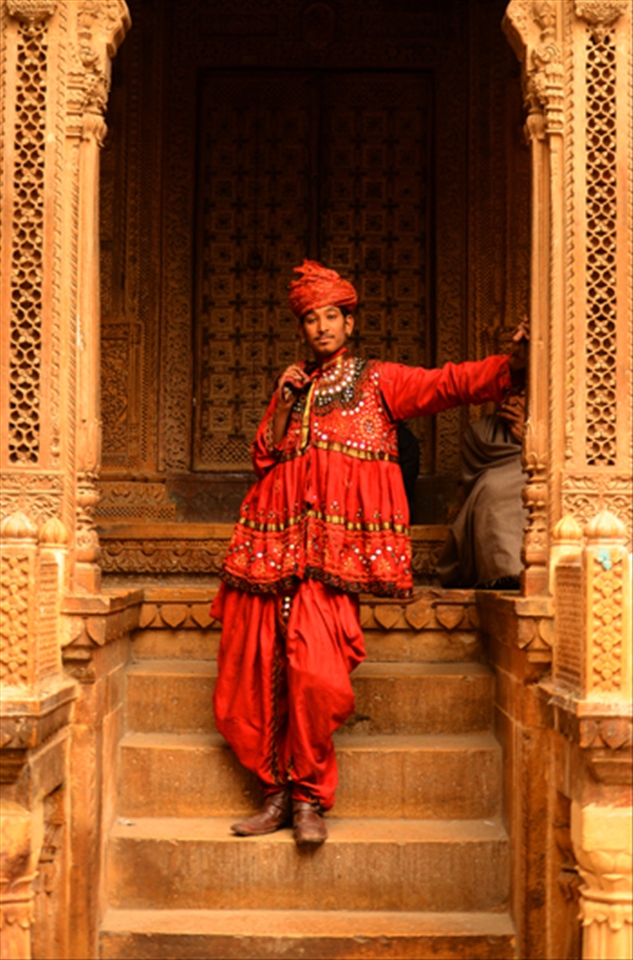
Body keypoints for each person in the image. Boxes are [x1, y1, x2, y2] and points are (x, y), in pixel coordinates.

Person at [210, 260, 528, 846]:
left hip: (329, 564)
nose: (321, 327)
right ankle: (275, 795)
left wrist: (512, 368)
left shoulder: (378, 381)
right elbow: (265, 455)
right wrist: (281, 402)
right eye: (311, 319)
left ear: (349, 324)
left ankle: (310, 798)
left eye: (331, 316)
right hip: (270, 552)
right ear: (302, 328)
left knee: (317, 677)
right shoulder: (295, 388)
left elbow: (446, 384)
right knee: (254, 674)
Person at [436, 391, 528, 590]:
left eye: (521, 395)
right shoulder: (481, 433)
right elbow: (472, 481)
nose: (511, 401)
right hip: (488, 497)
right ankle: (503, 575)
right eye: (505, 394)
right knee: (492, 488)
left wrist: (531, 439)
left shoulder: (559, 428)